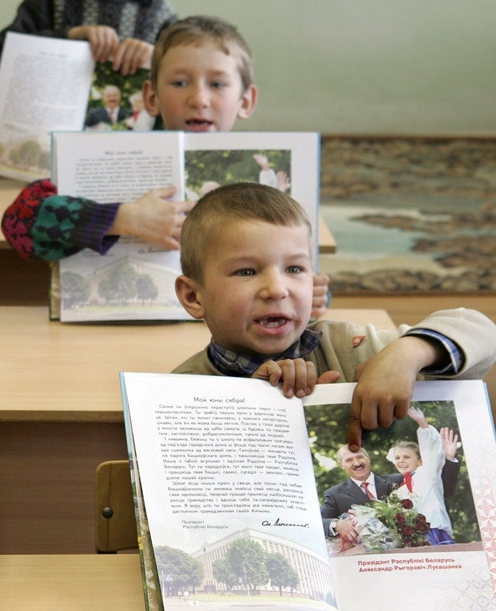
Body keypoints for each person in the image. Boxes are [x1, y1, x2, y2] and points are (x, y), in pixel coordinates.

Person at [0, 15, 331, 316]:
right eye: (180, 83)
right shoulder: (105, 158)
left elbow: (302, 275)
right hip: (117, 326)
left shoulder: (263, 189)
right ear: (151, 97)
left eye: (217, 84)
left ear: (245, 101)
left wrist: (314, 295)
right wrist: (121, 218)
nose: (198, 98)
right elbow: (19, 224)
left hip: (230, 342)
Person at [171, 182, 496, 450]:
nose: (276, 289)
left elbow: (483, 333)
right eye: (246, 271)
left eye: (294, 269)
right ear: (192, 296)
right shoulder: (177, 394)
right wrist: (250, 403)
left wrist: (407, 355)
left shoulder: (350, 348)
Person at [321, 441, 459, 543]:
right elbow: (317, 521)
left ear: (368, 458)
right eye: (349, 460)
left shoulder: (400, 480)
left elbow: (440, 490)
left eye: (360, 457)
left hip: (411, 548)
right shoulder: (334, 494)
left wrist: (449, 459)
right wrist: (336, 525)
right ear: (342, 465)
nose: (357, 463)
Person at [0, 0, 179, 75]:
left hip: (132, 147)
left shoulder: (159, 12)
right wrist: (69, 35)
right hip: (51, 132)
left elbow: (186, 72)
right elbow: (5, 53)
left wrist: (156, 57)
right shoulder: (48, 3)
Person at [388, 407, 455, 545]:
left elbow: (431, 452)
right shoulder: (397, 492)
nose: (401, 461)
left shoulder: (427, 473)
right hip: (411, 540)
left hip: (434, 533)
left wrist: (422, 424)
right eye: (397, 458)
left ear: (420, 461)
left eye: (406, 457)